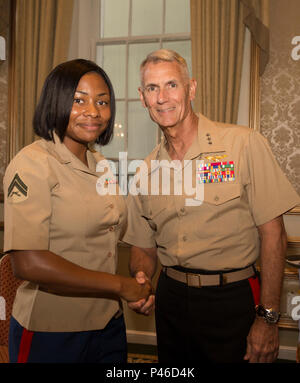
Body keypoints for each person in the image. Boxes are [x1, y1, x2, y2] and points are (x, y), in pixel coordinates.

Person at [123, 49, 300, 363]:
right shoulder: (145, 172)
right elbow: (143, 247)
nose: (162, 97)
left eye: (171, 85)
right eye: (152, 88)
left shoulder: (242, 145)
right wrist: (141, 276)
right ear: (142, 97)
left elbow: (274, 235)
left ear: (191, 89)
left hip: (232, 299)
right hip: (172, 302)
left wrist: (268, 318)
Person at [3, 59, 152, 363]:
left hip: (108, 323)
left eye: (102, 102)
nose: (94, 112)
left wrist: (139, 279)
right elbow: (28, 263)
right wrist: (121, 286)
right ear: (55, 102)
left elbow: (111, 232)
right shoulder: (33, 164)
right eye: (78, 100)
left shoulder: (102, 166)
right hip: (52, 330)